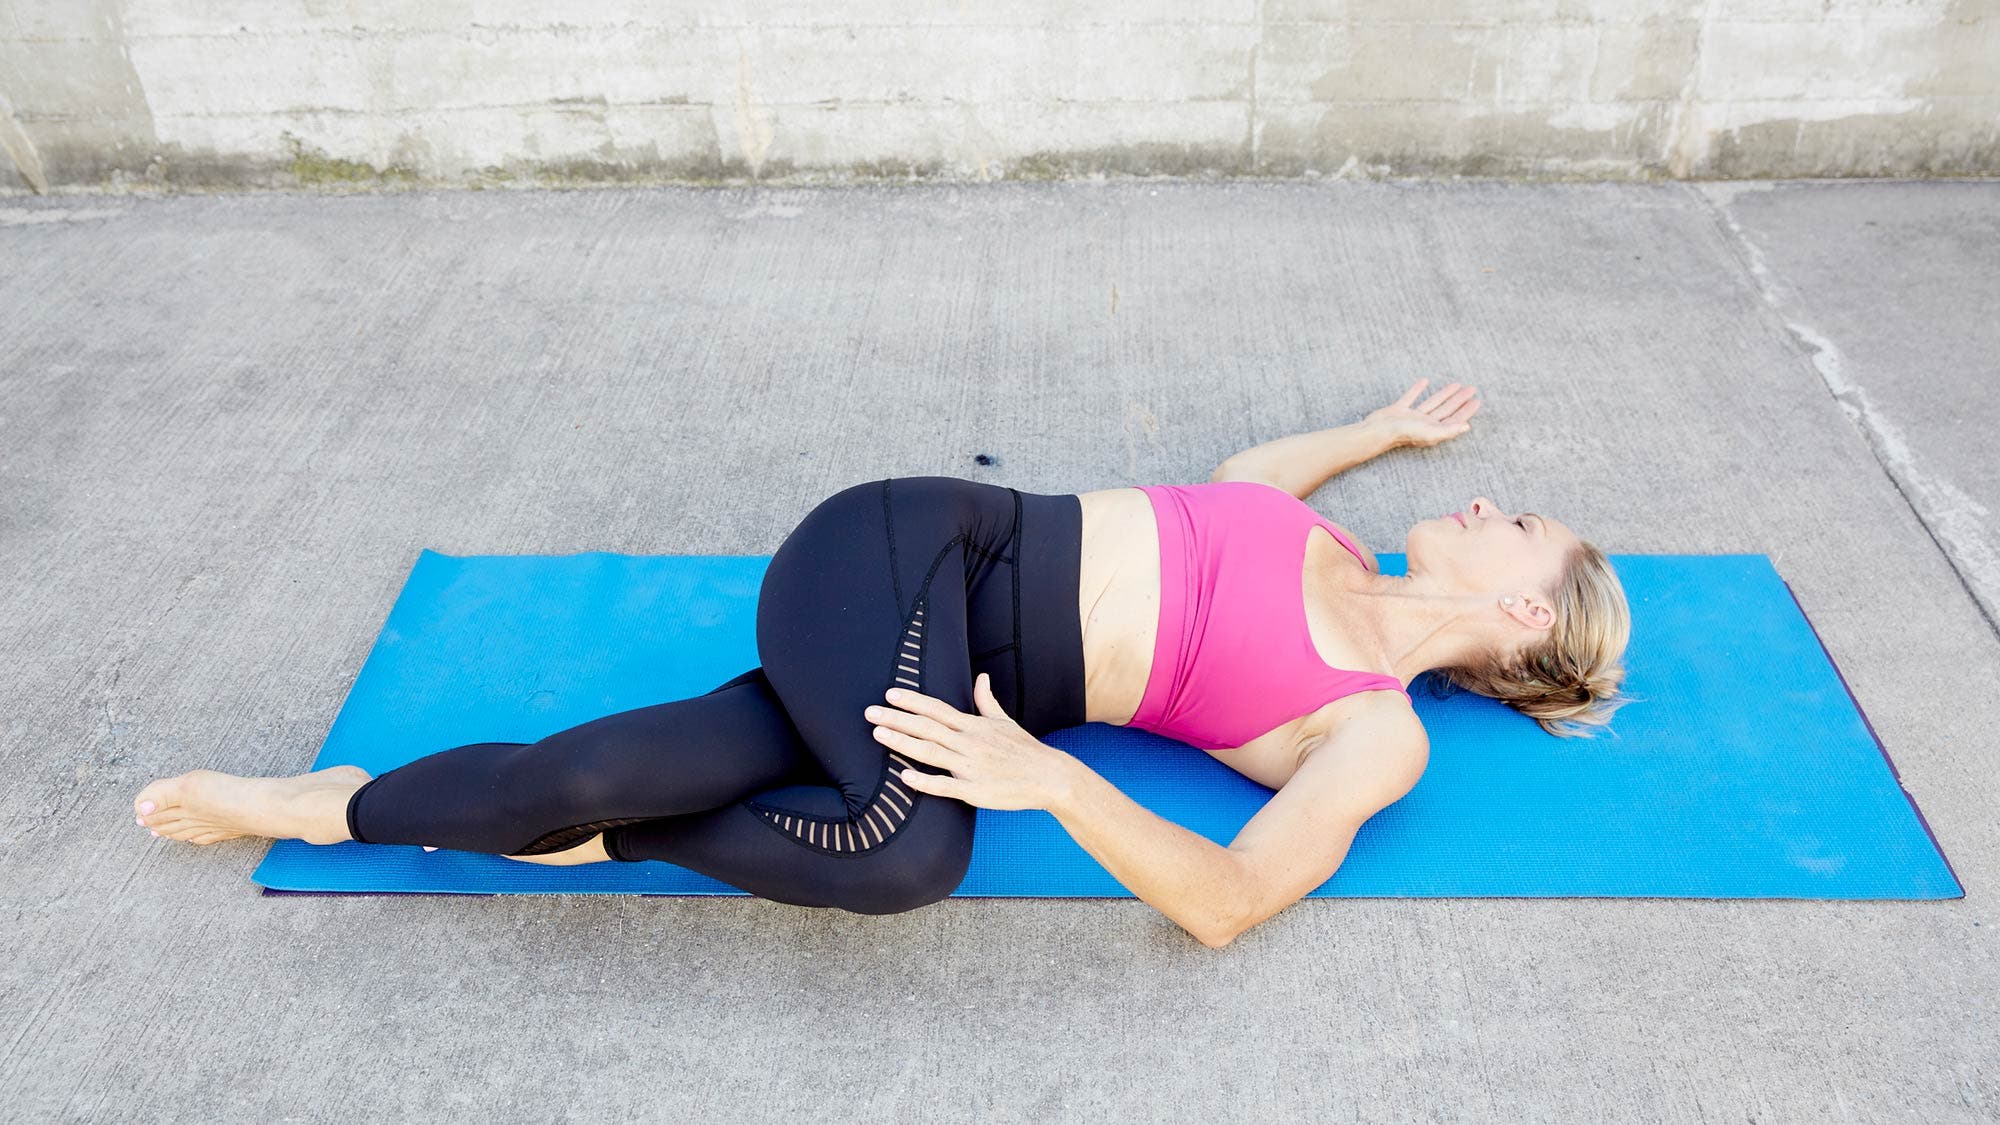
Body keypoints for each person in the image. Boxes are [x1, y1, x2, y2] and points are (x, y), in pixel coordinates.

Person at [132, 379, 1630, 945]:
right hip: (914, 553)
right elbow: (1250, 475)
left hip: (933, 692)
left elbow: (1230, 902)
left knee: (586, 777)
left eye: (1518, 524)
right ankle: (579, 833)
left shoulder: (1375, 734)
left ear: (1527, 616)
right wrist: (1375, 432)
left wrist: (1053, 782)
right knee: (905, 854)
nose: (1487, 505)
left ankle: (339, 802)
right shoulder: (1317, 535)